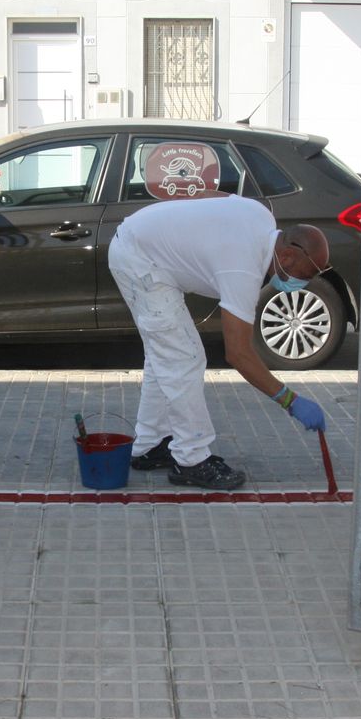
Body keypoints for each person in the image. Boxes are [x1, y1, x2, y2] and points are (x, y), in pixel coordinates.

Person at [107, 141, 330, 491]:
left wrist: (174, 228)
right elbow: (238, 354)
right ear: (287, 256)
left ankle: (148, 445)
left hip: (142, 240)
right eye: (309, 270)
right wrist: (290, 400)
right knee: (185, 358)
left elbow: (206, 195)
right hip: (138, 258)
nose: (307, 280)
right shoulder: (242, 267)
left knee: (166, 356)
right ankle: (192, 460)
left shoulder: (260, 216)